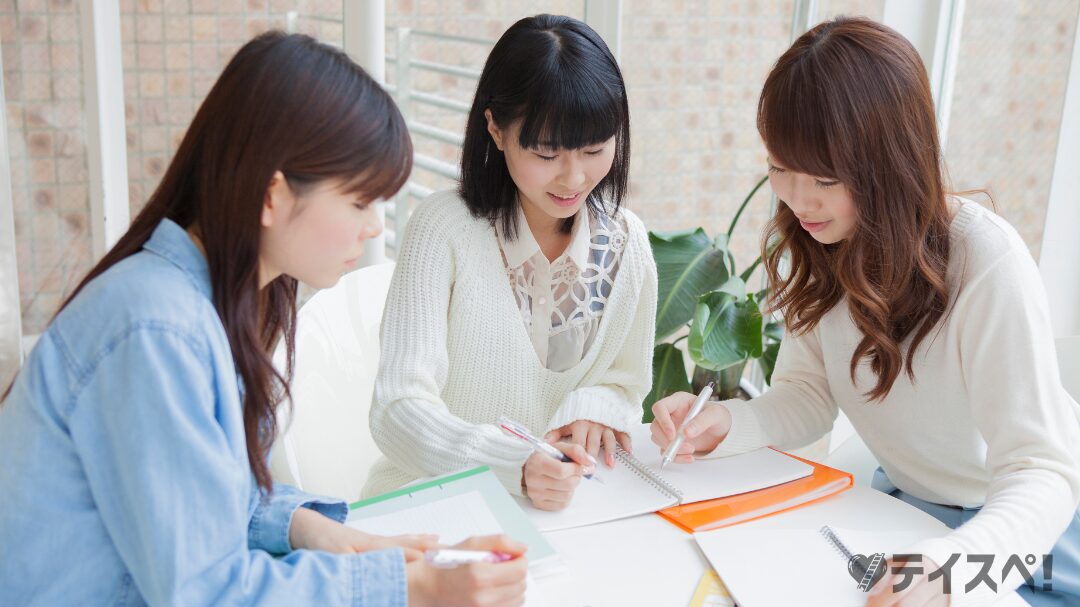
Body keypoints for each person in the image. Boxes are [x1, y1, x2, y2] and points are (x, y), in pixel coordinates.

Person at [0, 31, 527, 607]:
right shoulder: (154, 330)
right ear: (272, 196)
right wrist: (412, 587)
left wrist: (307, 526)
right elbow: (204, 592)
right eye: (358, 201)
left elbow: (206, 497)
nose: (373, 227)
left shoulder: (198, 301)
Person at [650, 16, 1080, 607]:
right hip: (910, 515)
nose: (798, 199)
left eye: (824, 178)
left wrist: (953, 569)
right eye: (780, 168)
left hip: (1033, 540)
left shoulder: (985, 262)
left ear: (891, 164)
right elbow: (809, 394)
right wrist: (728, 424)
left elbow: (1043, 473)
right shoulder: (817, 238)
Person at [364, 14, 658, 512]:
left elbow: (626, 382)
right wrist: (511, 462)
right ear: (496, 130)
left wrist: (592, 408)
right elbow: (398, 410)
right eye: (546, 152)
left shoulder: (627, 244)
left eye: (594, 148)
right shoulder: (443, 229)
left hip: (562, 515)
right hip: (428, 509)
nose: (573, 176)